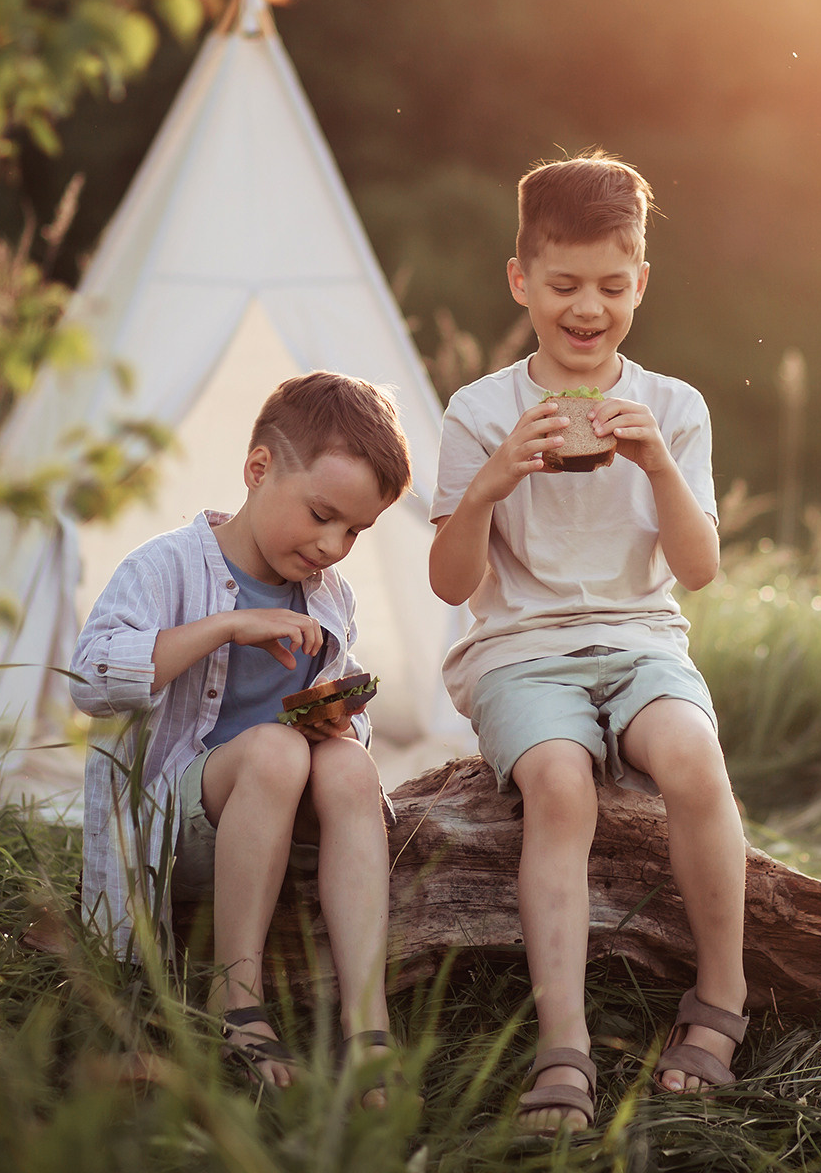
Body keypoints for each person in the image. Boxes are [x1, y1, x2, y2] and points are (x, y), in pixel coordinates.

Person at [428, 154, 747, 1134]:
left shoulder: (674, 407)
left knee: (693, 757)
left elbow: (698, 571)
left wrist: (655, 462)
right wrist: (490, 483)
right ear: (521, 279)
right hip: (520, 650)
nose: (588, 307)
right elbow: (451, 583)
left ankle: (721, 1001)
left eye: (612, 285)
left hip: (642, 637)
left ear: (640, 281)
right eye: (564, 285)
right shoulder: (478, 412)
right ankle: (563, 1043)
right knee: (559, 784)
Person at [71, 372, 406, 1097]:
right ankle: (237, 1000)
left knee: (349, 767)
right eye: (322, 514)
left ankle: (366, 1021)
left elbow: (339, 736)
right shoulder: (164, 565)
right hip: (176, 833)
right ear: (258, 470)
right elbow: (90, 679)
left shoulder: (329, 598)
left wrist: (336, 717)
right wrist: (228, 625)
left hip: (273, 818)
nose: (334, 544)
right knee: (277, 750)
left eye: (356, 530)